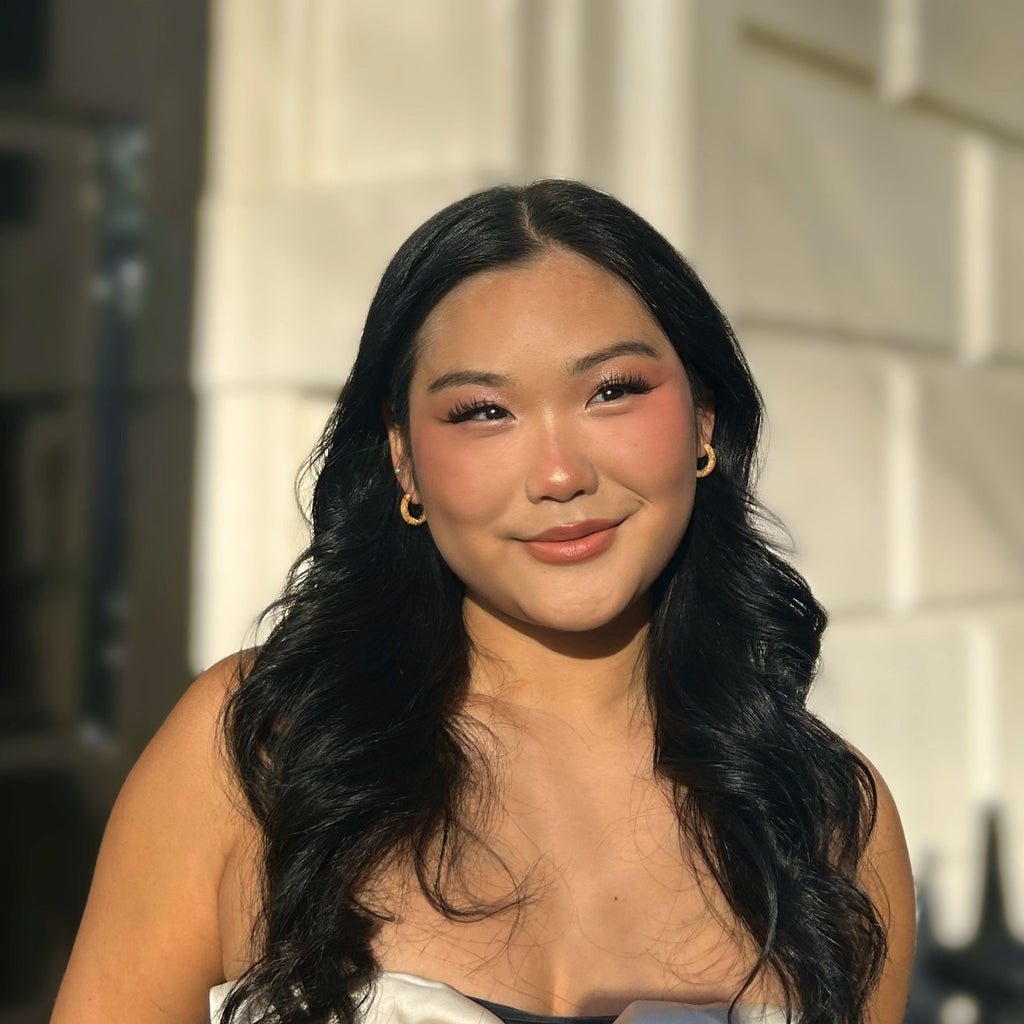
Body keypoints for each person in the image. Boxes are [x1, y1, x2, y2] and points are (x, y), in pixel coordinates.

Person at [51, 180, 916, 1024]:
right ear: (401, 457)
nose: (559, 476)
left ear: (701, 419)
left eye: (611, 390)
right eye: (482, 411)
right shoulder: (262, 750)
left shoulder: (830, 818)